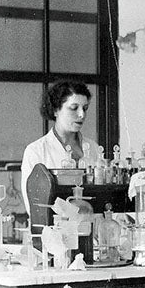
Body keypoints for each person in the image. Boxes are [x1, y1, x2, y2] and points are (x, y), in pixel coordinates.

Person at [21, 80, 98, 213]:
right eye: (74, 108)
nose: (82, 114)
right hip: (54, 224)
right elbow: (33, 207)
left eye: (85, 108)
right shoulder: (36, 151)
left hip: (92, 222)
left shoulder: (93, 148)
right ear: (56, 110)